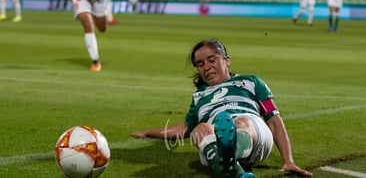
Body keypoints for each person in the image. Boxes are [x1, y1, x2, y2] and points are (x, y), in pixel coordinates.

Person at [132, 39, 313, 178]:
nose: (206, 67)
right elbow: (183, 130)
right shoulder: (199, 97)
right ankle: (235, 170)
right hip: (214, 138)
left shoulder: (252, 82)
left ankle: (226, 156)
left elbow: (273, 119)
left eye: (212, 60)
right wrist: (149, 132)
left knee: (241, 122)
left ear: (227, 60)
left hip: (255, 136)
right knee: (200, 129)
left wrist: (288, 160)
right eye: (200, 64)